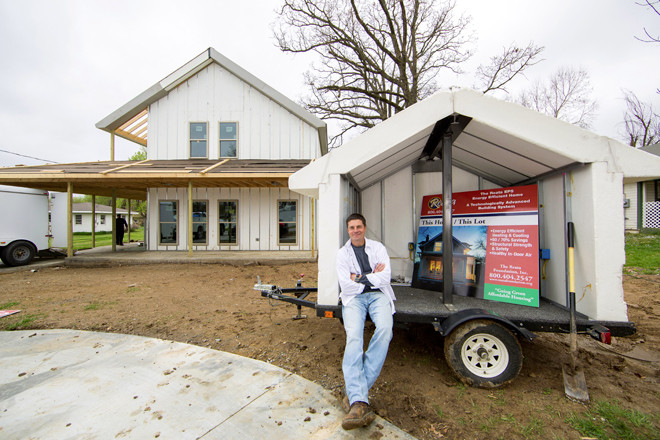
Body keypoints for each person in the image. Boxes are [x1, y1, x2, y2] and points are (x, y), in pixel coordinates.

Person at [336, 213, 396, 430]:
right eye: (351, 227)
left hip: (379, 294)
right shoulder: (342, 254)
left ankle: (354, 395)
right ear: (348, 230)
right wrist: (369, 275)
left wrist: (358, 276)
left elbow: (385, 277)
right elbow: (345, 283)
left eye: (359, 226)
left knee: (385, 330)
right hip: (354, 299)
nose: (355, 231)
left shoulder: (378, 247)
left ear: (365, 227)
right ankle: (359, 400)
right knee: (354, 337)